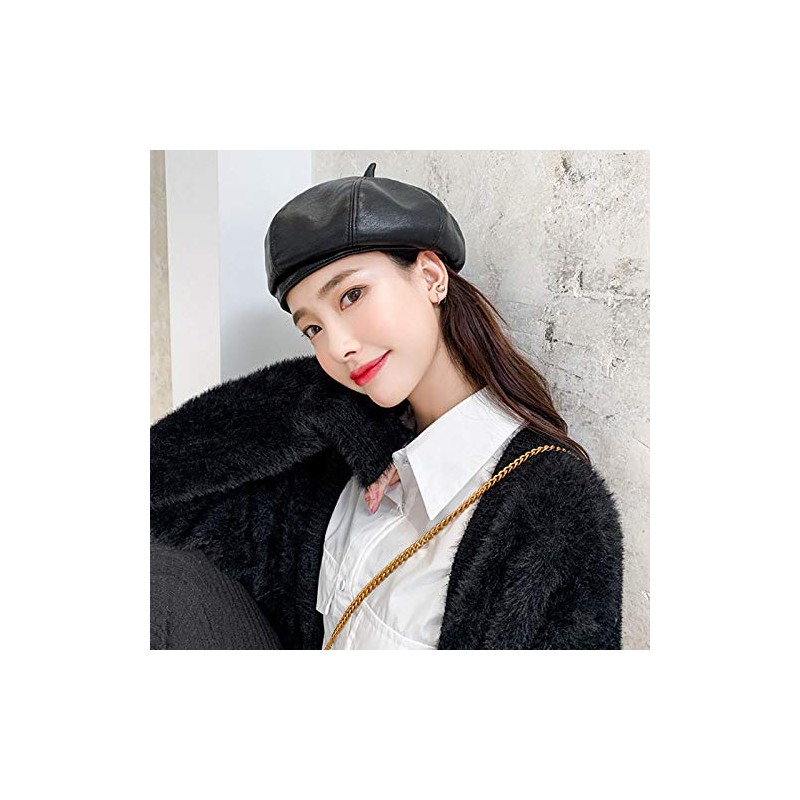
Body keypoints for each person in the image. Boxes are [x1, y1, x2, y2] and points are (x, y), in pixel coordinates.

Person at [151, 163, 624, 649]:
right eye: (312, 328)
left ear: (431, 277)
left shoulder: (551, 511)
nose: (338, 347)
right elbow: (156, 487)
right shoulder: (343, 457)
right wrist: (320, 401)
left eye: (351, 295)